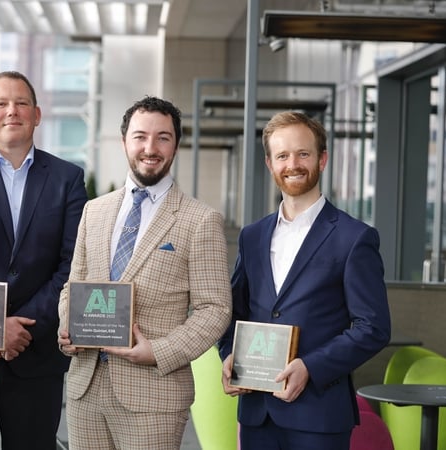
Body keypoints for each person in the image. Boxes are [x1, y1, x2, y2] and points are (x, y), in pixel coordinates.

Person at [57, 95, 233, 449]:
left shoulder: (200, 220)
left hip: (154, 394)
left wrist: (160, 351)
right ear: (124, 141)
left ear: (176, 145)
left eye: (162, 138)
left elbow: (215, 309)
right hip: (85, 390)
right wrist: (67, 326)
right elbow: (72, 286)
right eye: (140, 136)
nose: (150, 147)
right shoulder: (95, 210)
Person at [217, 111, 391, 450]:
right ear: (270, 164)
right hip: (257, 413)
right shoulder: (251, 236)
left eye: (303, 154)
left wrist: (310, 366)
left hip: (320, 416)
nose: (292, 164)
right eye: (282, 155)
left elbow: (373, 327)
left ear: (322, 159)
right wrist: (228, 355)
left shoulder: (355, 238)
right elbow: (232, 312)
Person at [0, 71, 87, 450]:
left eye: (21, 103)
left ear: (37, 114)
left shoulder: (68, 178)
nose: (12, 111)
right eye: (1, 104)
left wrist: (22, 327)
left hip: (37, 355)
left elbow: (73, 264)